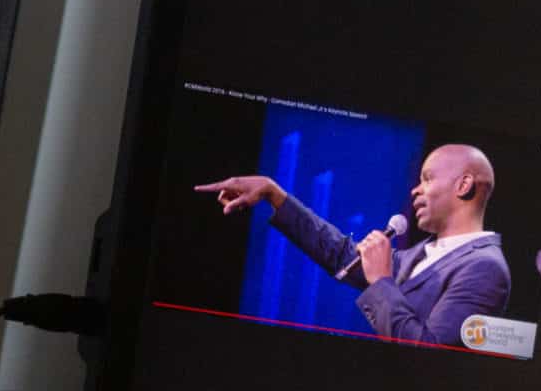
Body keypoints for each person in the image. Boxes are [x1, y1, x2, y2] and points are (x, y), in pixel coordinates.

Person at [197, 143, 510, 346]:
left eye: (427, 178)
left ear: (464, 185)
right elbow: (344, 256)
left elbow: (428, 354)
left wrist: (383, 282)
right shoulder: (423, 252)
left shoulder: (484, 268)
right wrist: (273, 194)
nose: (415, 190)